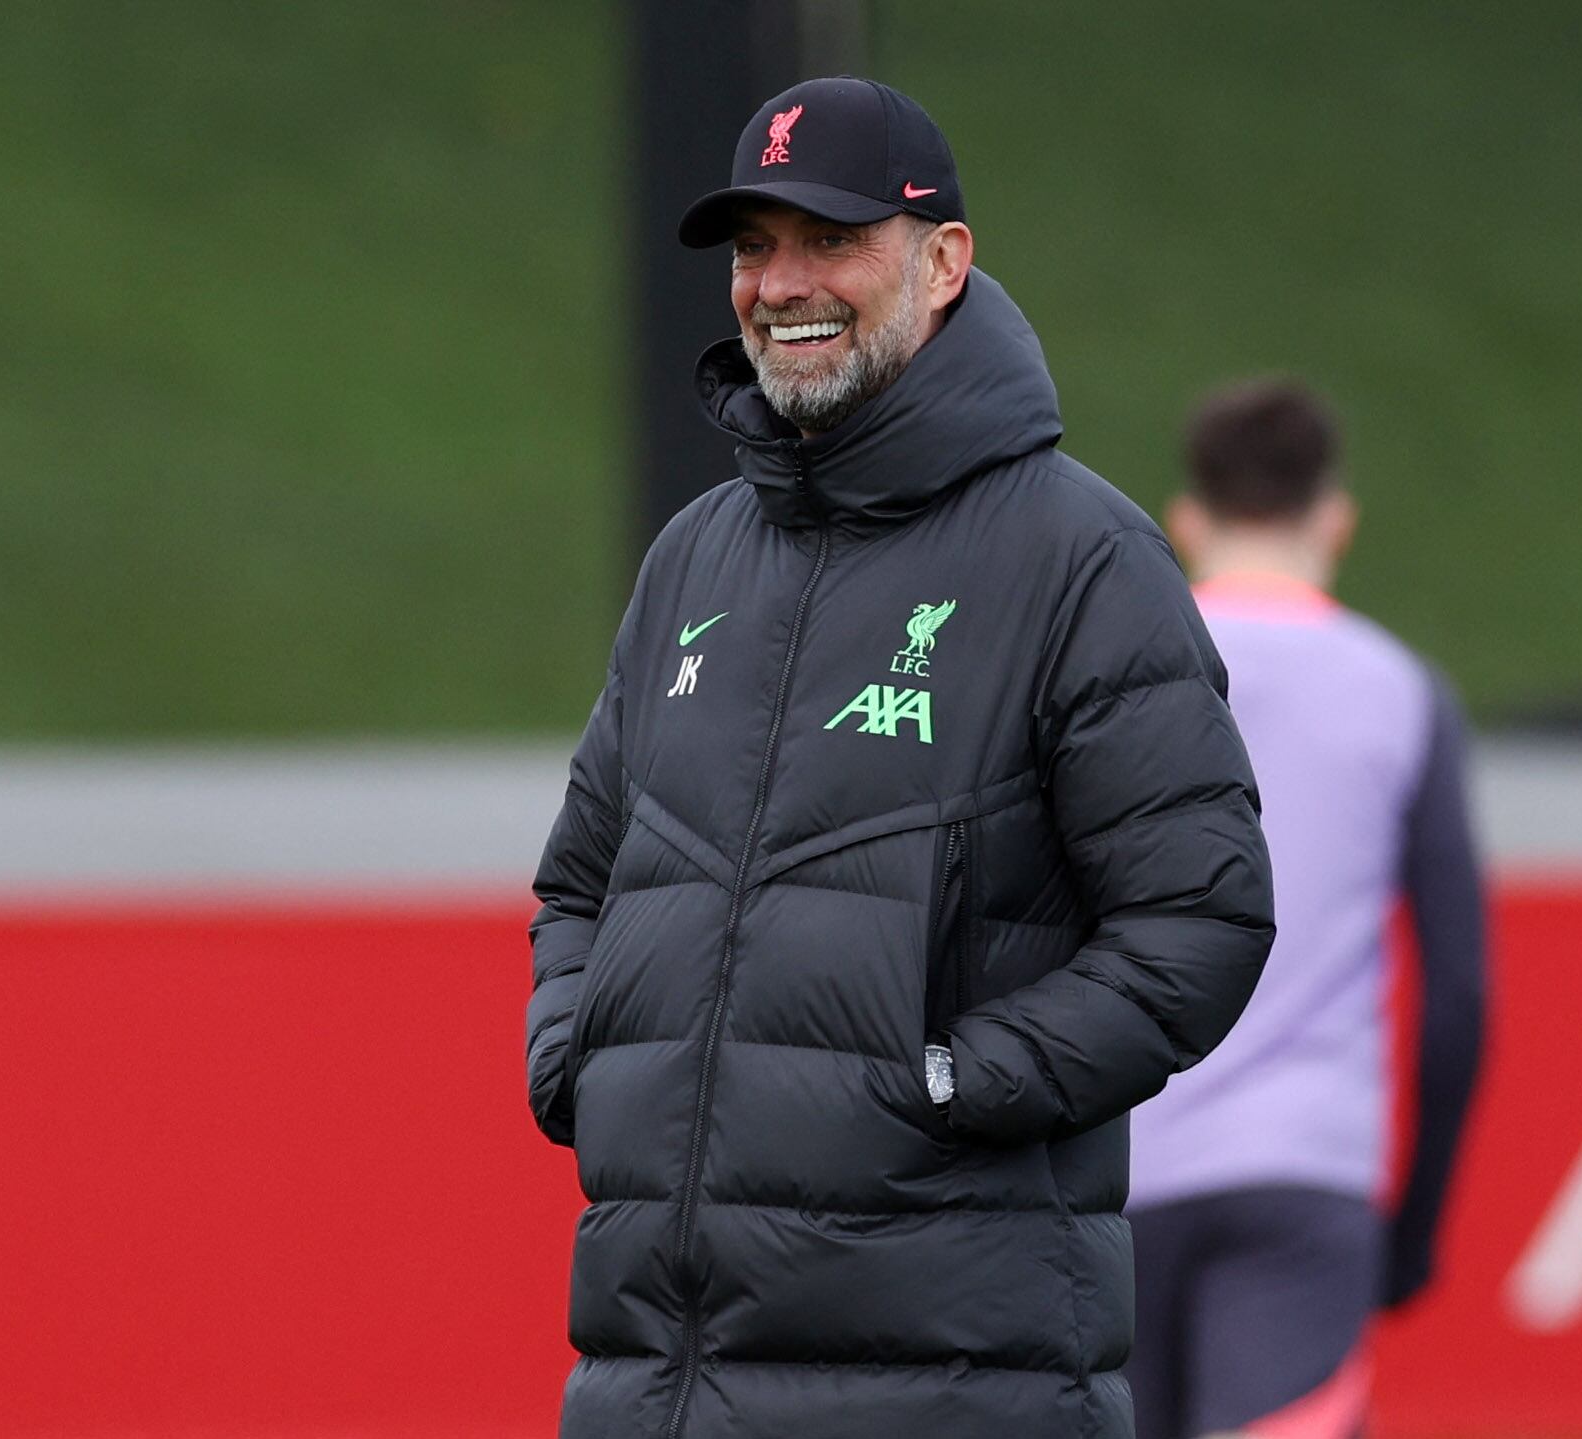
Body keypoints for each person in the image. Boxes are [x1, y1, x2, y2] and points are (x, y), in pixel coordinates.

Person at [524, 76, 1274, 1439]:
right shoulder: (693, 556)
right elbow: (581, 878)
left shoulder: (1080, 556)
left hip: (955, 1380)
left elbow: (1201, 917)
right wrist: (586, 1061)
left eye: (830, 239)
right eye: (755, 247)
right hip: (654, 1380)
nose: (780, 284)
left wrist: (946, 1084)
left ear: (943, 263)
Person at [1126, 380, 1489, 1439]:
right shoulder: (1403, 692)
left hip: (1114, 1174)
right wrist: (1413, 1226)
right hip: (1304, 1175)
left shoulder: (1119, 674)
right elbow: (1460, 997)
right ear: (1335, 519)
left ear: (1186, 520)